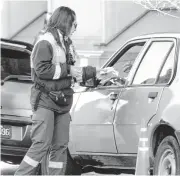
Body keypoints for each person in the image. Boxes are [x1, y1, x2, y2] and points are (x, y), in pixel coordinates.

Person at [15, 6, 116, 175]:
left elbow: (73, 72)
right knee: (41, 144)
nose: (75, 28)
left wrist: (98, 74)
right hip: (45, 101)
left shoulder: (66, 43)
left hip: (62, 101)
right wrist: (67, 70)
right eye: (74, 24)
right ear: (65, 22)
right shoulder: (45, 41)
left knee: (60, 146)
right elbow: (42, 70)